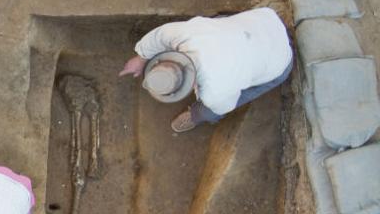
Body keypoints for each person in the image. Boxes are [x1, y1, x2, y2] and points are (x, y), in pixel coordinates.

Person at [119, 7, 293, 133]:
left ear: (189, 86)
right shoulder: (184, 35)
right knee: (216, 20)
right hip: (265, 20)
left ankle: (194, 116)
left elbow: (223, 106)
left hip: (281, 59)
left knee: (209, 111)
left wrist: (202, 100)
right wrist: (141, 58)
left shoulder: (214, 91)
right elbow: (158, 37)